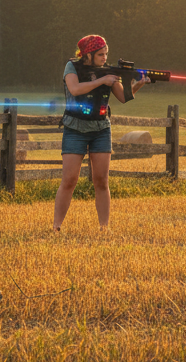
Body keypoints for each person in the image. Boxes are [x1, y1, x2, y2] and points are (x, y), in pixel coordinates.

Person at [52, 34, 147, 231]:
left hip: (101, 129)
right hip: (74, 129)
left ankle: (104, 228)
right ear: (88, 54)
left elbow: (122, 97)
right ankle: (56, 227)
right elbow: (75, 89)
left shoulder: (108, 72)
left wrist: (137, 85)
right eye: (101, 54)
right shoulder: (72, 67)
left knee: (102, 180)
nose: (105, 58)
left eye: (106, 54)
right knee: (69, 180)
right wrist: (103, 80)